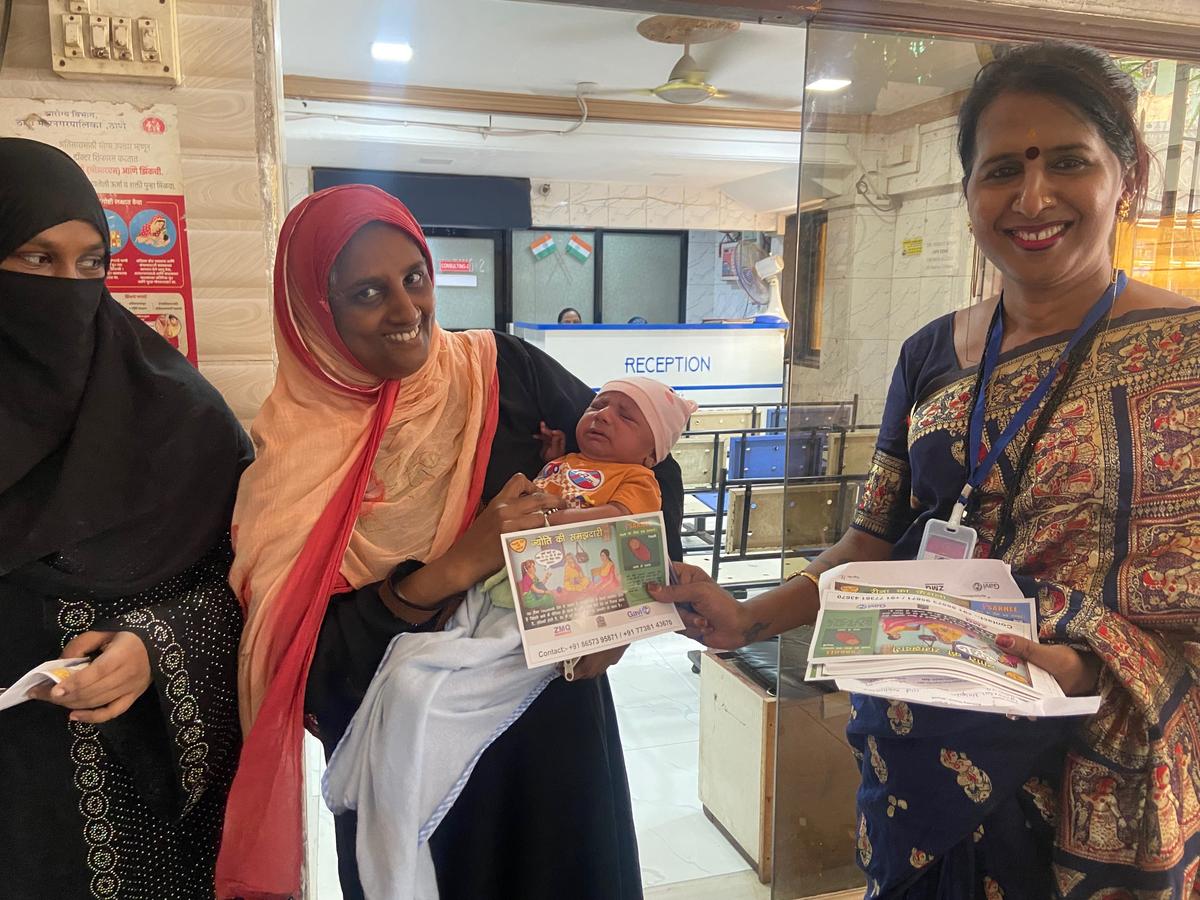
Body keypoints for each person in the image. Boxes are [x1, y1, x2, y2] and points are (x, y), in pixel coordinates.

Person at [652, 41, 1200, 898]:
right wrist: (747, 621)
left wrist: (1089, 667)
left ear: (1126, 175)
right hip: (918, 743)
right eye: (1001, 170)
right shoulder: (932, 353)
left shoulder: (1185, 352)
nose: (1032, 197)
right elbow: (871, 543)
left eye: (1067, 162)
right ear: (968, 190)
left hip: (1095, 760)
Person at [215, 183, 685, 900]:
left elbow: (649, 465)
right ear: (314, 310)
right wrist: (454, 567)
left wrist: (624, 606)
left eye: (415, 279)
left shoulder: (503, 372)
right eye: (368, 292)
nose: (406, 312)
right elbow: (306, 662)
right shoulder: (287, 466)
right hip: (406, 769)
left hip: (551, 741)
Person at [0, 139, 251, 897]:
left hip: (126, 802)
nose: (68, 286)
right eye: (38, 260)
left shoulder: (181, 417)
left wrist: (155, 647)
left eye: (91, 263)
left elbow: (249, 588)